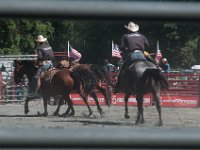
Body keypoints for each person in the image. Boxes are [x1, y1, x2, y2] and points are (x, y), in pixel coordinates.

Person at [115, 21, 155, 93]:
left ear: (129, 29)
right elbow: (147, 45)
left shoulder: (125, 36)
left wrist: (126, 49)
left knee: (122, 68)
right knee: (153, 63)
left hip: (131, 55)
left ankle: (119, 86)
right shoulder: (142, 36)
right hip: (142, 55)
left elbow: (121, 47)